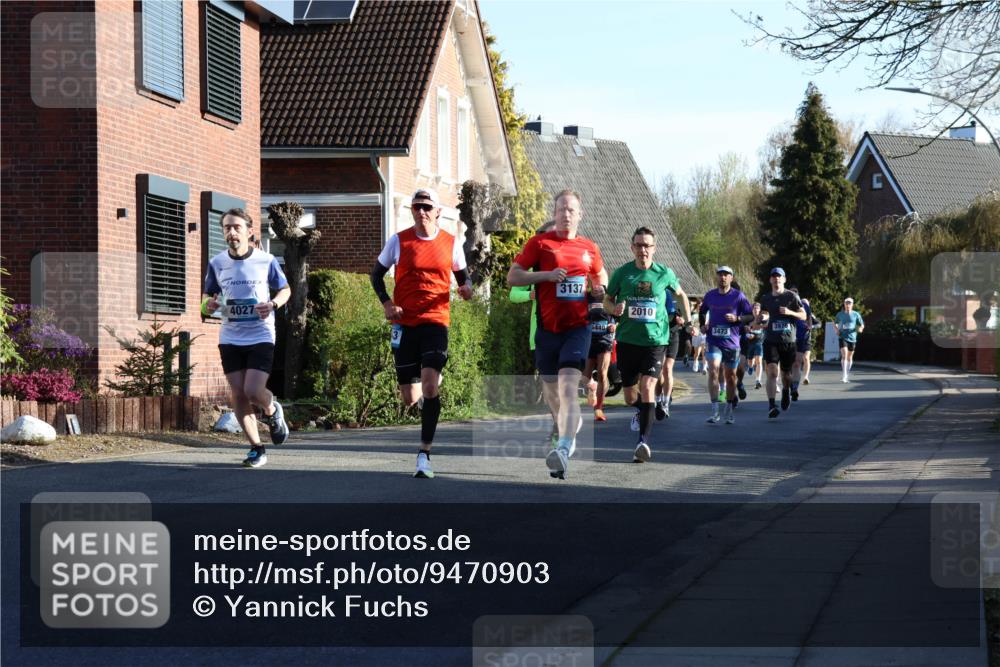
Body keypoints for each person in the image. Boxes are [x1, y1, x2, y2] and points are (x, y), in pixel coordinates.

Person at [370, 188, 473, 479]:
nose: (421, 212)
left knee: (429, 387)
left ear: (438, 211)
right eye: (416, 207)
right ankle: (424, 398)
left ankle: (424, 454)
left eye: (427, 207)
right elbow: (375, 274)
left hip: (436, 323)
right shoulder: (399, 241)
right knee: (410, 397)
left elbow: (465, 283)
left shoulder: (451, 243)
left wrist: (467, 291)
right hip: (404, 325)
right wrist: (387, 304)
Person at [508, 189, 607, 480]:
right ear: (554, 213)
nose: (566, 214)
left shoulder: (589, 247)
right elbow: (513, 277)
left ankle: (564, 447)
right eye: (561, 209)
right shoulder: (539, 244)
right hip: (547, 330)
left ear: (580, 214)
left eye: (571, 210)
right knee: (552, 393)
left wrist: (599, 290)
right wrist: (545, 276)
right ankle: (566, 429)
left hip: (578, 328)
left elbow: (601, 277)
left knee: (567, 387)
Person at [202, 208, 291, 468]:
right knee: (238, 394)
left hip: (261, 333)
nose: (231, 232)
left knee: (253, 390)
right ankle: (256, 447)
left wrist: (273, 304)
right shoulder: (217, 262)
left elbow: (285, 289)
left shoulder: (266, 260)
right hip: (230, 335)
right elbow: (207, 298)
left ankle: (272, 410)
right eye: (227, 228)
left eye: (237, 227)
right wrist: (207, 306)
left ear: (249, 231)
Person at [606, 226, 689, 463]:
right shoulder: (622, 273)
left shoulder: (665, 273)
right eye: (639, 245)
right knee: (631, 397)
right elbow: (606, 300)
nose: (643, 249)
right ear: (632, 247)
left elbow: (682, 295)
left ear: (654, 248)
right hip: (628, 341)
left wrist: (688, 320)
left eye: (647, 245)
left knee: (648, 385)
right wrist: (614, 309)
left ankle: (643, 442)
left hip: (656, 341)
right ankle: (642, 411)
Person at [700, 267, 754, 425]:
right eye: (720, 275)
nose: (722, 277)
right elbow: (702, 311)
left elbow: (750, 316)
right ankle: (715, 410)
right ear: (717, 277)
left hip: (732, 342)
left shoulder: (738, 296)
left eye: (726, 275)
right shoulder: (710, 295)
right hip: (713, 340)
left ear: (731, 278)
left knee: (731, 378)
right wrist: (703, 325)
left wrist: (737, 319)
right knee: (713, 371)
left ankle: (729, 408)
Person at [754, 267, 807, 419]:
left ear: (784, 279)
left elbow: (803, 315)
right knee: (771, 372)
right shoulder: (766, 298)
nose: (776, 279)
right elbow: (763, 315)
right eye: (774, 277)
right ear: (770, 280)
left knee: (786, 375)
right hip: (771, 340)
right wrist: (762, 318)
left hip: (788, 341)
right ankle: (771, 405)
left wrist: (790, 313)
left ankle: (785, 391)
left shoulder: (791, 296)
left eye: (779, 277)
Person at [656, 287, 690, 420]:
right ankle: (658, 400)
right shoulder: (656, 293)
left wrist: (682, 321)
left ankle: (665, 402)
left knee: (668, 368)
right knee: (659, 371)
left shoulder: (677, 296)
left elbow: (681, 314)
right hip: (658, 335)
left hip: (672, 334)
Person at [584, 296, 616, 421]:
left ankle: (598, 408)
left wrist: (614, 325)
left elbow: (619, 317)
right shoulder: (586, 298)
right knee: (585, 377)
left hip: (605, 340)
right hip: (589, 340)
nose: (597, 288)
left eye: (600, 287)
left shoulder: (610, 299)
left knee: (602, 374)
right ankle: (593, 385)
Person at [787, 287, 819, 400]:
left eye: (794, 294)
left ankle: (794, 388)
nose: (793, 296)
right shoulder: (785, 306)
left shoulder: (804, 306)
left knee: (797, 363)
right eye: (790, 294)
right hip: (788, 338)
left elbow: (809, 317)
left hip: (801, 337)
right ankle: (789, 383)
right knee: (788, 365)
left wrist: (809, 326)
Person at [834, 297, 865, 383]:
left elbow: (862, 324)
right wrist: (836, 330)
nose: (848, 305)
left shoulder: (856, 314)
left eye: (849, 303)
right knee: (844, 354)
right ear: (844, 304)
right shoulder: (840, 314)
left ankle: (847, 374)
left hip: (852, 338)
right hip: (842, 337)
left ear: (852, 305)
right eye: (846, 303)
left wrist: (861, 329)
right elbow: (835, 322)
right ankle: (844, 376)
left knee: (849, 357)